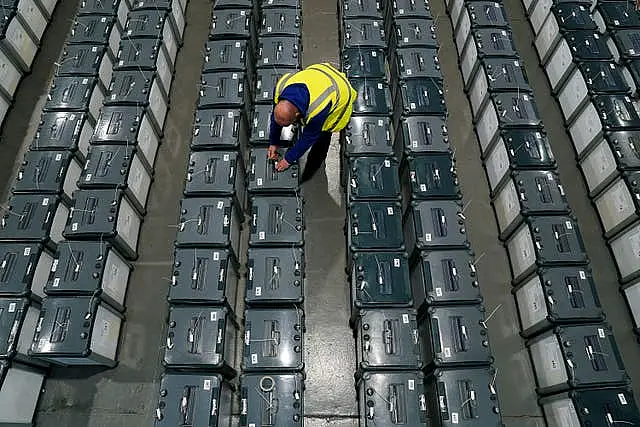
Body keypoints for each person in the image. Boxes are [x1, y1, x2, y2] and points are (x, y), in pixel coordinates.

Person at [268, 62, 357, 183]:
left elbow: (308, 138)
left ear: (297, 115)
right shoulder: (280, 90)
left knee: (322, 137)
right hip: (318, 74)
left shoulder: (318, 109)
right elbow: (275, 119)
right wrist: (274, 143)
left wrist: (288, 160)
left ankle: (315, 165)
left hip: (340, 90)